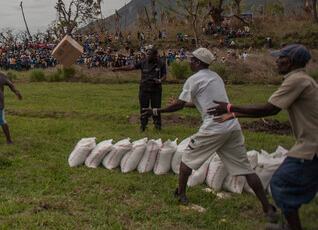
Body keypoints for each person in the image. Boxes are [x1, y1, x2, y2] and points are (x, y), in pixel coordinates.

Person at [142, 48, 277, 222]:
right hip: (232, 127)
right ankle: (267, 208)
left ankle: (181, 194)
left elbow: (179, 106)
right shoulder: (216, 78)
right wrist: (183, 104)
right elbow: (203, 101)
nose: (189, 62)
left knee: (186, 160)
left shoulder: (193, 79)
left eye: (191, 60)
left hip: (213, 128)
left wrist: (155, 111)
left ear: (198, 62)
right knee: (246, 169)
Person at [208, 44, 316, 230]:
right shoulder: (304, 79)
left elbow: (270, 109)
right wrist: (234, 114)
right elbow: (271, 109)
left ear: (289, 61)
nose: (276, 61)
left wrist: (230, 107)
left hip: (311, 146)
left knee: (281, 183)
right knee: (293, 187)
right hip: (309, 144)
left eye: (279, 58)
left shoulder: (296, 80)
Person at [112, 46, 167, 131]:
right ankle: (143, 126)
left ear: (155, 55)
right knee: (143, 108)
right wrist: (118, 69)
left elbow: (164, 76)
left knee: (156, 108)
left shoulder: (161, 64)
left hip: (156, 89)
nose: (148, 56)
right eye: (147, 54)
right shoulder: (143, 63)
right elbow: (131, 67)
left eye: (150, 54)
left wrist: (159, 80)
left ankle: (157, 125)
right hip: (144, 89)